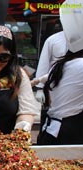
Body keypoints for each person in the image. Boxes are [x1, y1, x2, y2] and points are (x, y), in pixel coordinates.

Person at [37, 0, 83, 145]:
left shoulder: (71, 61)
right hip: (67, 127)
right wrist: (39, 88)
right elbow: (45, 64)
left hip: (57, 125)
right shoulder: (53, 41)